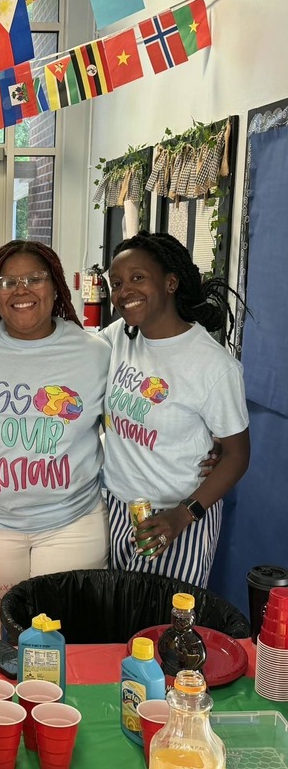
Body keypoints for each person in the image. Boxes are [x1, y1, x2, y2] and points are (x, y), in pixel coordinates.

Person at [0, 240, 111, 641]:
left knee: (65, 639)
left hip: (73, 522)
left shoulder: (94, 352)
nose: (22, 289)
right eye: (8, 281)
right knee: (0, 636)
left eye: (35, 278)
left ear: (56, 286)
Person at [102, 231, 250, 587]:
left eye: (138, 278)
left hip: (177, 514)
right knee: (112, 613)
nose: (124, 291)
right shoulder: (119, 336)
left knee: (163, 616)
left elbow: (237, 455)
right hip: (115, 505)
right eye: (117, 283)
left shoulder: (213, 365)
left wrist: (183, 515)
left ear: (171, 283)